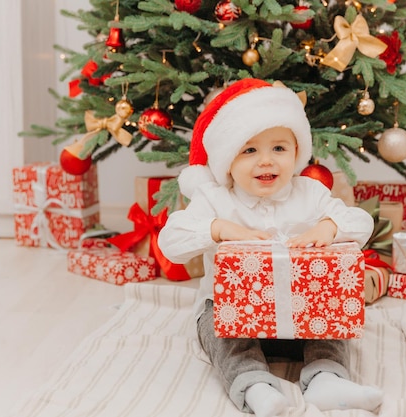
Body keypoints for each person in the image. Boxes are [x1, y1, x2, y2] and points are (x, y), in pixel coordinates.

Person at [158, 78, 383, 417]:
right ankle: (254, 386)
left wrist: (329, 226)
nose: (266, 161)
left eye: (279, 148)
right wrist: (217, 229)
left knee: (332, 321)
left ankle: (326, 378)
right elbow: (170, 241)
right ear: (226, 160)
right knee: (214, 322)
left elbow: (361, 222)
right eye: (249, 150)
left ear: (297, 153)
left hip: (301, 320)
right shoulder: (215, 199)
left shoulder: (309, 193)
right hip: (236, 322)